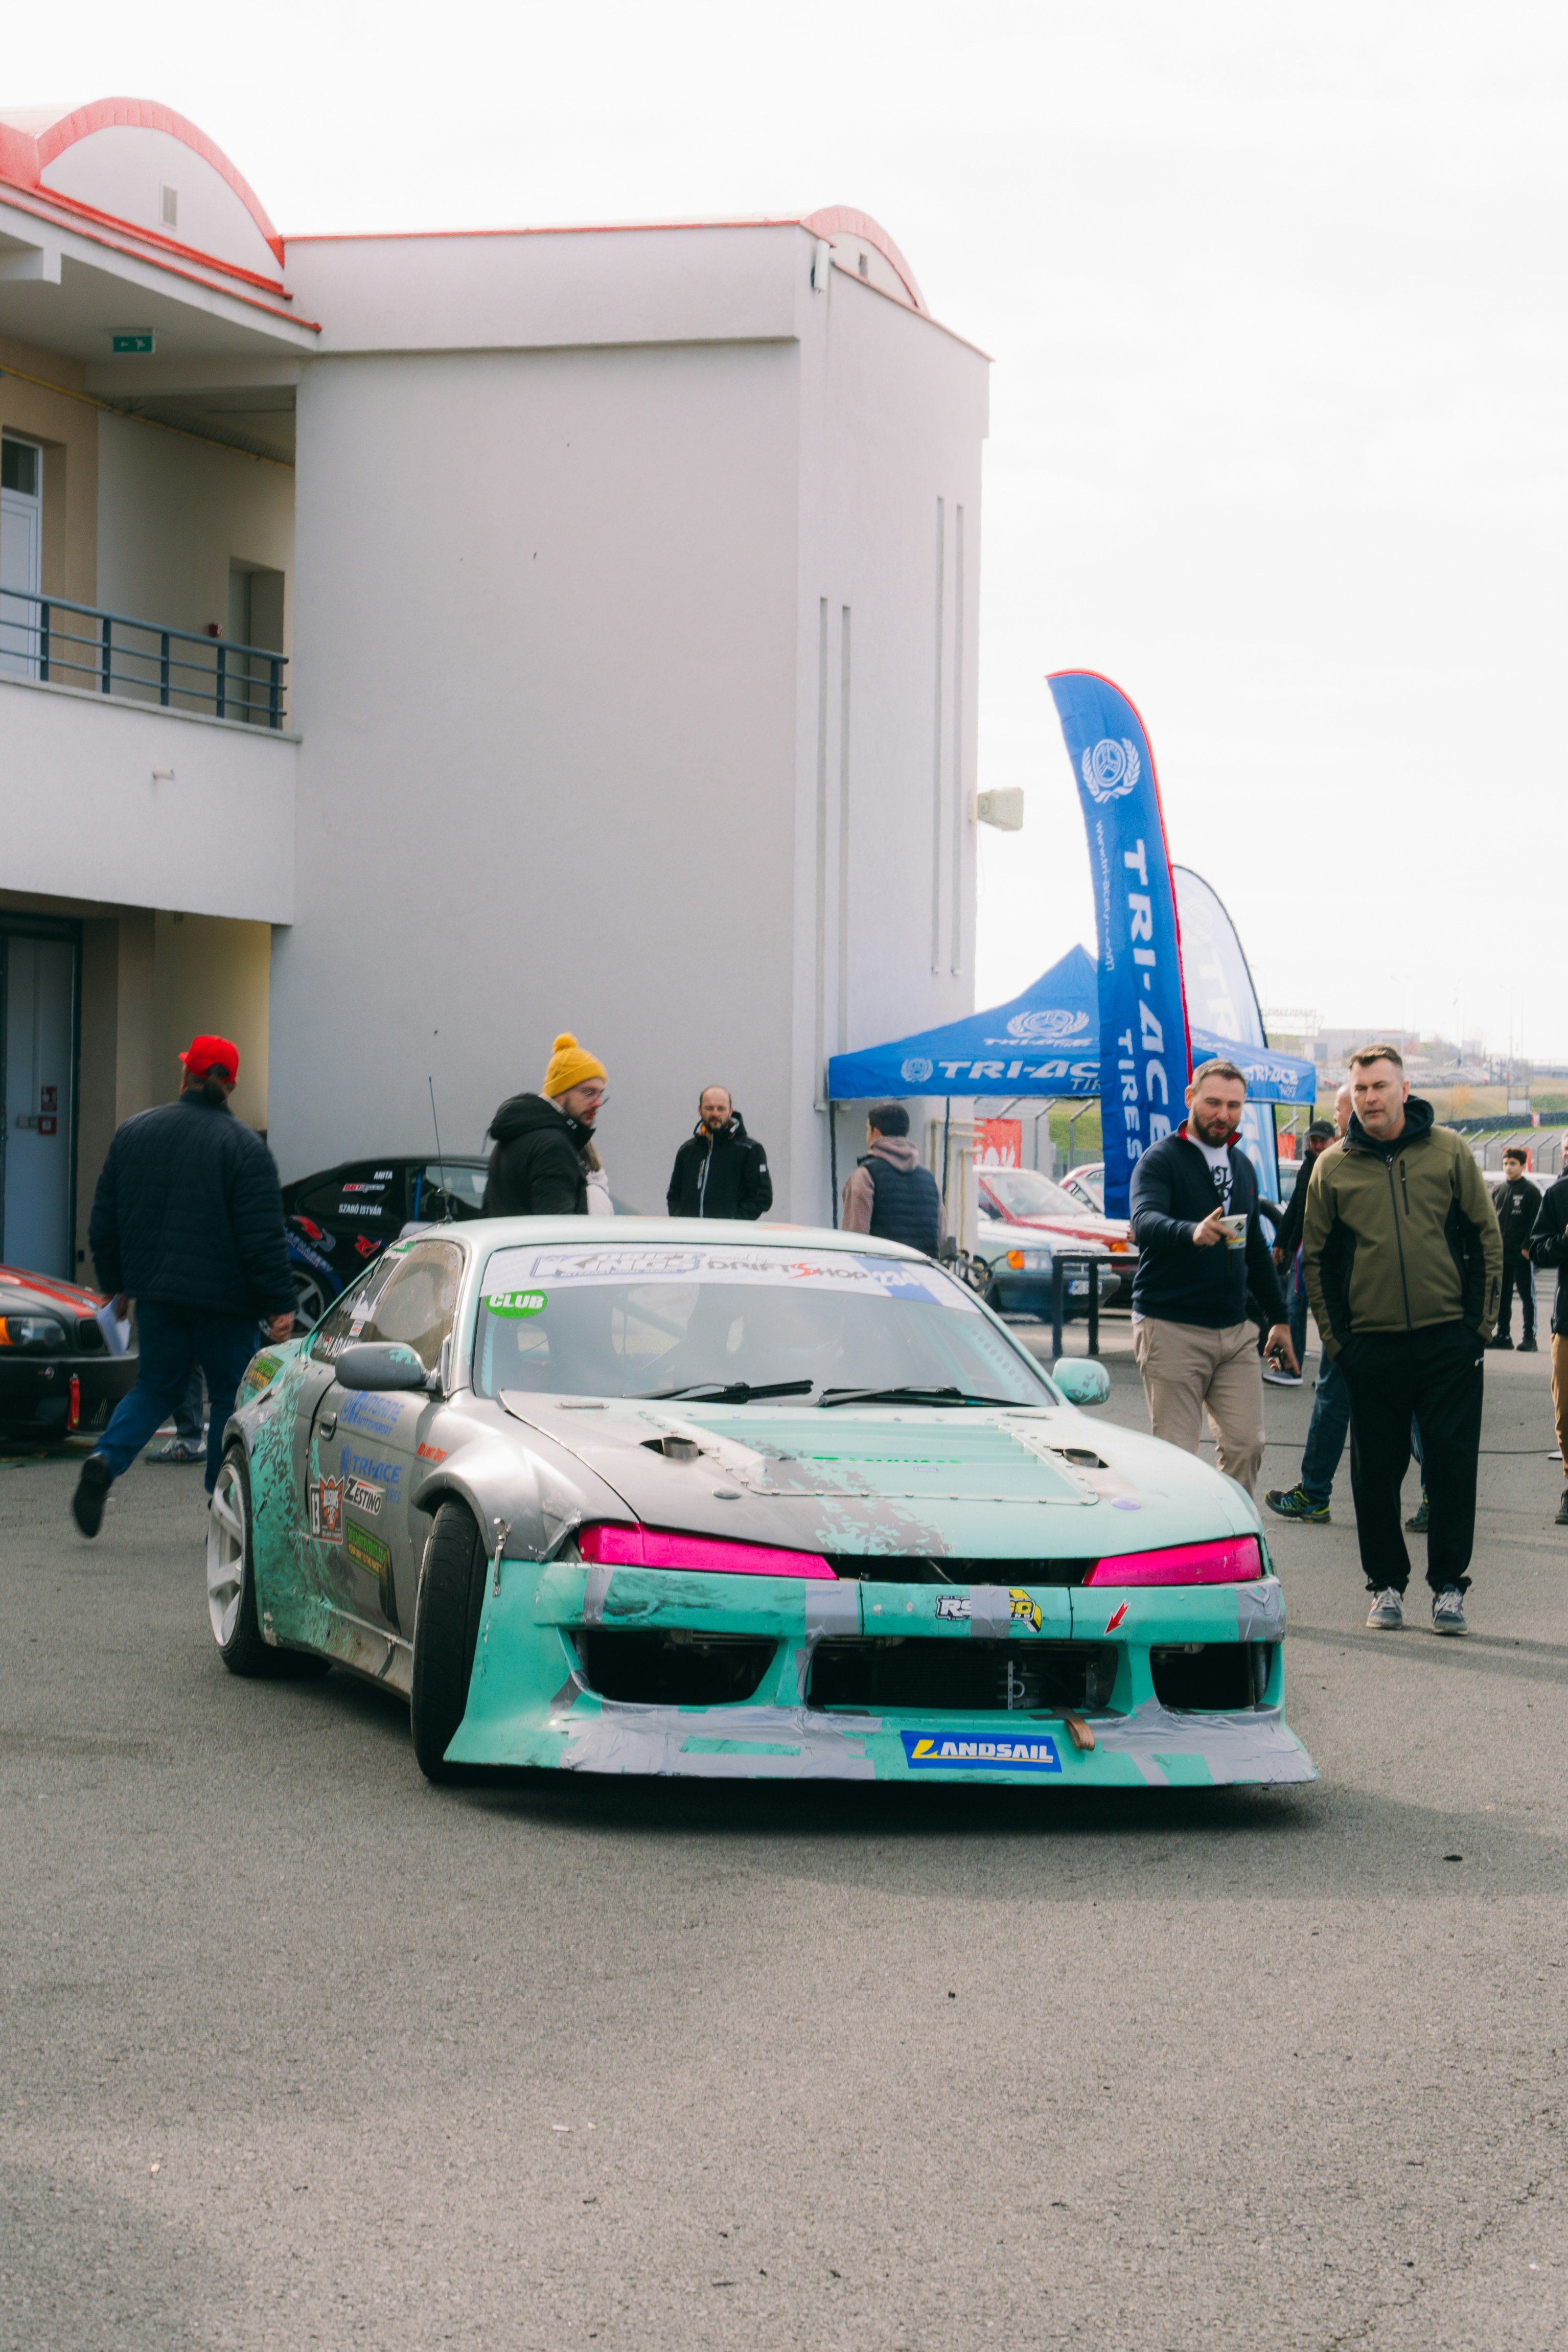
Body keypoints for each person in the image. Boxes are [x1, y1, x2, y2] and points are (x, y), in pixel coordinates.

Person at [1303, 1044, 1501, 1636]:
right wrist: (1339, 1343)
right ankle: (1384, 1585)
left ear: (1403, 1090)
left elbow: (1485, 1240)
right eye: (1360, 1089)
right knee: (1374, 1475)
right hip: (1371, 1349)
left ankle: (1448, 1588)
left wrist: (1478, 1329)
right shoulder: (1332, 1167)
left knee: (1450, 1468)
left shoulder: (1448, 1151)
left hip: (1447, 1345)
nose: (1369, 1099)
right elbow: (1317, 1262)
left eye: (1379, 1087)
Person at [71, 1034, 294, 1537]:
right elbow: (262, 1237)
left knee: (157, 1387)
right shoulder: (245, 1148)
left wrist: (115, 1286)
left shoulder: (134, 1133)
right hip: (226, 1306)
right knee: (230, 1399)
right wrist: (279, 1304)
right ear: (232, 1085)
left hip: (159, 1297)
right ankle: (221, 1504)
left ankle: (105, 1460)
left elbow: (105, 1219)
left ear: (184, 1076)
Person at [1127, 1058, 1298, 1496]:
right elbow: (1145, 1220)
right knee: (1176, 1458)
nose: (1223, 1114)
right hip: (1172, 1327)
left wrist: (1279, 1318)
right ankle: (1178, 1534)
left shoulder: (1242, 1166)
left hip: (1235, 1332)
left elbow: (1253, 1248)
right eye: (1213, 1103)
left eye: (1234, 1106)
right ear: (1190, 1098)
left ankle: (1228, 1531)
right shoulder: (1160, 1160)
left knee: (1247, 1445)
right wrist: (1191, 1232)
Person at [482, 1034, 606, 1216]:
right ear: (560, 1092)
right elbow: (557, 1227)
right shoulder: (553, 1146)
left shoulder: (518, 1133)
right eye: (589, 1093)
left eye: (600, 1094)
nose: (598, 1103)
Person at [1265, 1119, 1337, 1385]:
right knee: (1294, 1308)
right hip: (1302, 1252)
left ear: (1334, 1140)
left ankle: (1330, 1377)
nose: (1317, 1145)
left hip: (1330, 1252)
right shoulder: (1307, 1167)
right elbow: (1295, 1208)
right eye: (1313, 1141)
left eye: (1322, 1141)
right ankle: (1291, 1367)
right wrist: (1280, 1243)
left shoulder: (1341, 1164)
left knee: (1329, 1313)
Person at [840, 1103, 944, 1253]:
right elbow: (942, 1239)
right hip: (922, 1267)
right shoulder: (930, 1181)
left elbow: (855, 1240)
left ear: (876, 1132)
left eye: (867, 1130)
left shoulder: (864, 1176)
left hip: (880, 1267)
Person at [1528, 1168, 1568, 1526]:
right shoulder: (1559, 1194)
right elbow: (1537, 1251)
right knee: (1566, 1412)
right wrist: (1566, 1240)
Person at [666, 1087, 773, 1219]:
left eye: (721, 1109)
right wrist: (680, 1219)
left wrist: (733, 1223)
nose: (715, 1114)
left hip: (729, 1233)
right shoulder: (687, 1150)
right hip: (689, 1232)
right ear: (700, 1110)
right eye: (709, 1108)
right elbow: (674, 1194)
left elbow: (762, 1198)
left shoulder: (749, 1150)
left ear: (730, 1111)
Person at [1491, 1148, 1542, 1351]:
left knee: (1527, 1296)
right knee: (1502, 1297)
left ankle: (1529, 1338)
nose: (1508, 1168)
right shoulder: (1498, 1191)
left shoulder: (1531, 1192)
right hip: (1502, 1254)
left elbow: (1536, 1222)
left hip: (1522, 1254)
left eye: (1513, 1164)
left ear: (1523, 1166)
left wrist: (1527, 1247)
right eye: (1506, 1163)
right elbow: (1491, 1221)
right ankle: (1503, 1335)